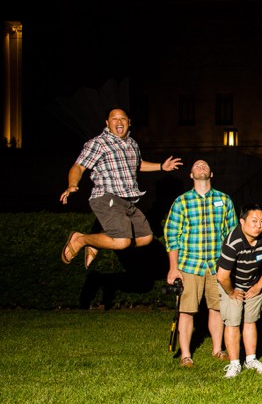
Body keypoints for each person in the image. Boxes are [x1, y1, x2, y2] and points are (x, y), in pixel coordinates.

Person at [60, 107, 182, 268]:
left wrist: (161, 166)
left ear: (129, 122)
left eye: (123, 118)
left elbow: (138, 165)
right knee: (122, 241)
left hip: (128, 201)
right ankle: (80, 239)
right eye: (114, 119)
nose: (119, 122)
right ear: (107, 123)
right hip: (106, 196)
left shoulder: (132, 143)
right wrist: (72, 185)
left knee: (145, 238)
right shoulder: (98, 143)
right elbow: (79, 166)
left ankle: (96, 241)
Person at [164, 160, 237, 368]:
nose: (201, 167)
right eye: (196, 165)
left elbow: (232, 234)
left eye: (205, 165)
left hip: (217, 265)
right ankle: (186, 355)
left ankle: (218, 349)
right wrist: (173, 268)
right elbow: (172, 236)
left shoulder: (224, 200)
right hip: (189, 265)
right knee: (186, 311)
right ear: (191, 175)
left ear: (211, 174)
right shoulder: (181, 202)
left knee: (217, 309)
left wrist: (231, 265)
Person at [216, 204, 262, 379]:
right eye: (254, 221)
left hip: (253, 282)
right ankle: (234, 363)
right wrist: (232, 292)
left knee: (251, 320)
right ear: (242, 222)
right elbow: (222, 276)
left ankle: (251, 360)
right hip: (231, 284)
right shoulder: (233, 242)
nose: (259, 225)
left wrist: (258, 286)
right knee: (233, 321)